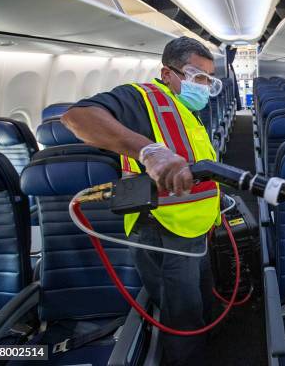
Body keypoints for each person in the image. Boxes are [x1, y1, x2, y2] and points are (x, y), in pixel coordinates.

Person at [62, 36, 223, 366]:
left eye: (209, 79)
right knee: (182, 320)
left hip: (197, 229)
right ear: (168, 74)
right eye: (198, 77)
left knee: (198, 305)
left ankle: (211, 347)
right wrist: (147, 151)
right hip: (164, 233)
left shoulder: (187, 109)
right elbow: (77, 117)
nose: (205, 87)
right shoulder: (141, 98)